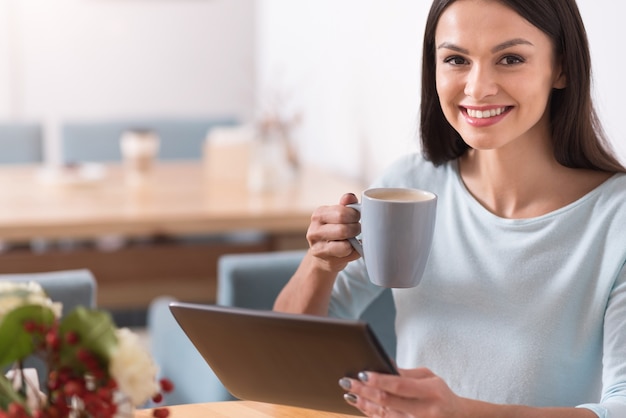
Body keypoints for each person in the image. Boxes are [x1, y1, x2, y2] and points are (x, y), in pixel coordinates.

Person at [273, 0, 626, 416]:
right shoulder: (405, 188)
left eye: (510, 58)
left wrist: (462, 412)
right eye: (456, 59)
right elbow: (287, 354)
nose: (477, 88)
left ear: (562, 68)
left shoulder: (614, 217)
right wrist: (319, 265)